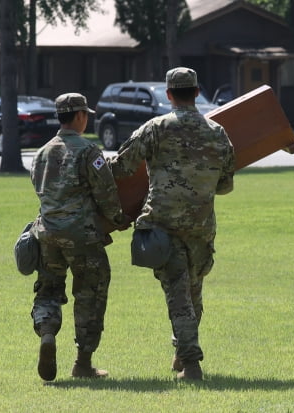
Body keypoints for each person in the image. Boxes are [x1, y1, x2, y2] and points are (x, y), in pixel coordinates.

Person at [108, 67, 235, 380]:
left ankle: (191, 363)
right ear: (196, 92)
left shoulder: (155, 128)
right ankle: (182, 354)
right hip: (201, 227)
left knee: (178, 296)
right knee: (193, 293)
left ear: (168, 94)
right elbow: (226, 184)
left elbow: (122, 167)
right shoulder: (217, 131)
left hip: (163, 224)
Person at [29, 92, 129, 382]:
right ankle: (83, 363)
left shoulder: (41, 152)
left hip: (46, 234)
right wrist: (119, 219)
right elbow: (106, 194)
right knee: (90, 293)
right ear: (81, 117)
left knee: (48, 290)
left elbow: (40, 190)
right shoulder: (88, 152)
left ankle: (47, 333)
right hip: (82, 237)